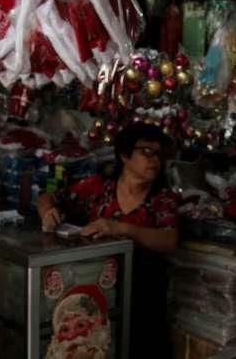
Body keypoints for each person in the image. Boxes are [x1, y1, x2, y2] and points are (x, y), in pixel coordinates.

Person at [37, 122, 179, 358]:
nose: (155, 160)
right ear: (124, 155)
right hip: (100, 293)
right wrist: (47, 212)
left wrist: (119, 227)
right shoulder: (98, 187)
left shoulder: (162, 198)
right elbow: (47, 197)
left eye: (159, 154)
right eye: (146, 152)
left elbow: (168, 239)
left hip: (144, 299)